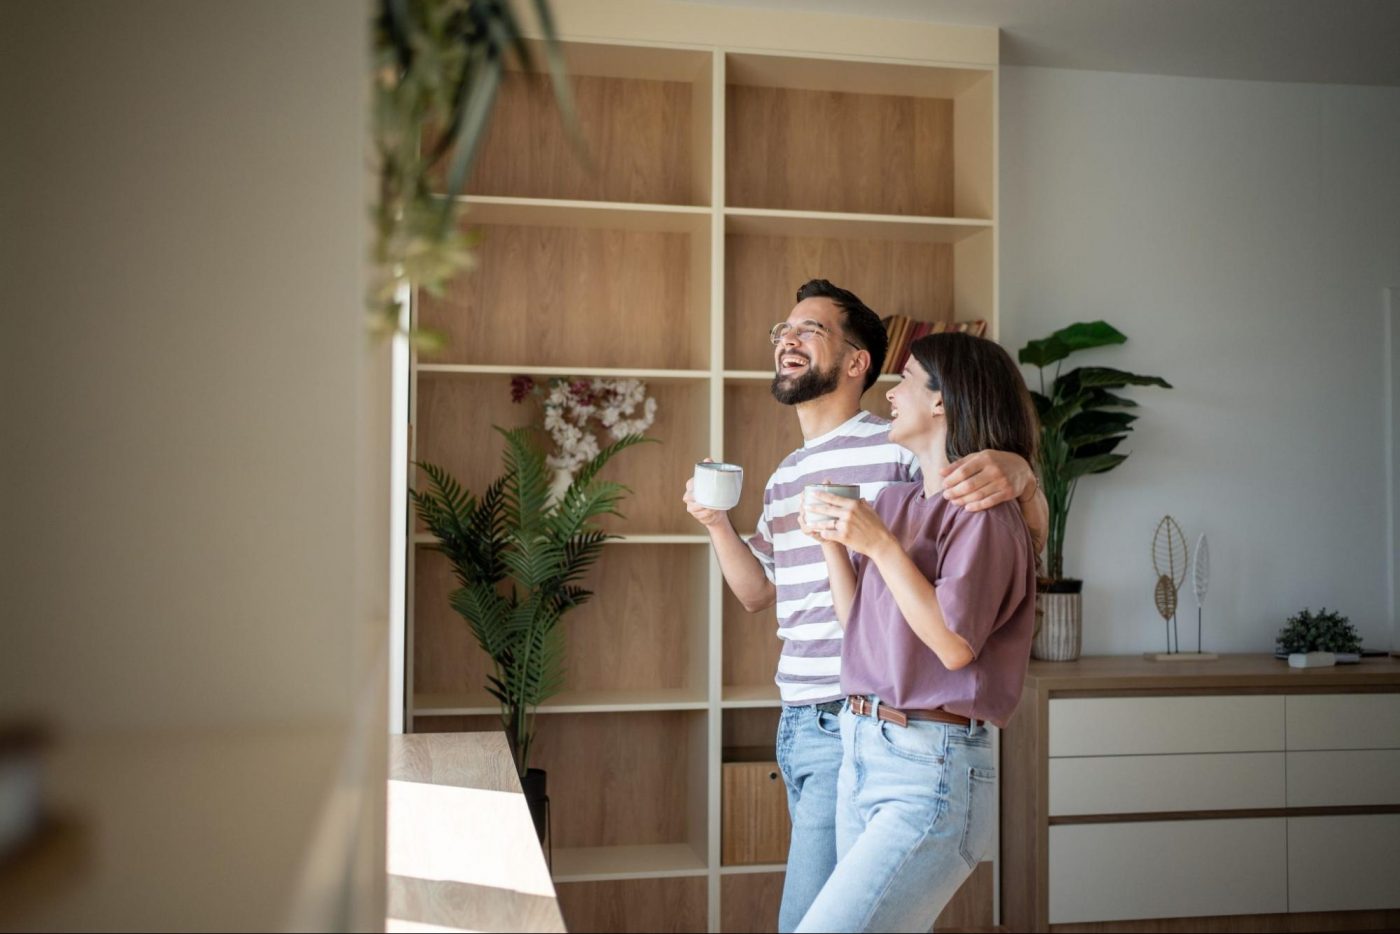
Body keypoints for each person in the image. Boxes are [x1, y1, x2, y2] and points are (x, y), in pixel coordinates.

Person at [681, 280, 1047, 932]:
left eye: (808, 330)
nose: (785, 341)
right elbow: (757, 594)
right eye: (781, 331)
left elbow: (995, 521)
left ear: (856, 363)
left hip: (883, 719)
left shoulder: (896, 450)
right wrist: (716, 524)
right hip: (816, 721)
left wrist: (1018, 470)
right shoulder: (787, 475)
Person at [793, 331, 1040, 933]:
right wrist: (835, 543)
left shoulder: (984, 515)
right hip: (862, 748)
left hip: (928, 768)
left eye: (907, 378)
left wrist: (876, 544)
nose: (891, 392)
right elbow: (859, 630)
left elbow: (954, 645)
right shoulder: (897, 502)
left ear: (943, 402)